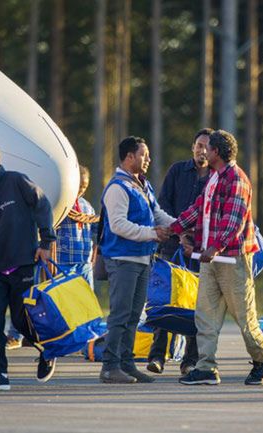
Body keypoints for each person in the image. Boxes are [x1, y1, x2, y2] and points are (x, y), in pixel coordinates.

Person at [171, 130, 263, 386]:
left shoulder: (236, 179)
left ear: (216, 152)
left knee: (244, 316)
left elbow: (235, 220)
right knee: (205, 315)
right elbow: (198, 209)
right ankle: (206, 367)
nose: (203, 151)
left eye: (207, 147)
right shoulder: (214, 178)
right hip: (211, 260)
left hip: (233, 260)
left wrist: (215, 247)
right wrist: (173, 229)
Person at [0, 142, 56, 391]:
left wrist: (46, 241)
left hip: (22, 264)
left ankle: (47, 349)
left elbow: (43, 205)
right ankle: (1, 375)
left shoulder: (17, 181)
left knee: (20, 321)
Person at [99, 136, 175, 384]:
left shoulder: (142, 185)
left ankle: (126, 364)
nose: (148, 159)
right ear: (129, 157)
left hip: (142, 259)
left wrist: (181, 226)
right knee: (120, 315)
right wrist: (153, 234)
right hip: (122, 259)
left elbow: (157, 213)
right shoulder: (118, 188)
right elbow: (118, 225)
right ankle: (110, 367)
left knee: (134, 315)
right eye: (144, 154)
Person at [147, 128, 212, 376]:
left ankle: (190, 360)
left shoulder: (215, 177)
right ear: (192, 147)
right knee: (165, 300)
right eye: (198, 145)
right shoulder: (177, 171)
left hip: (199, 251)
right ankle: (157, 356)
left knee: (195, 305)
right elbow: (164, 204)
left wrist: (194, 239)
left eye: (206, 146)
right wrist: (180, 233)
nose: (201, 150)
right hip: (172, 248)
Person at [53, 165, 99, 287]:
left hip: (84, 263)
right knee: (65, 299)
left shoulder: (87, 207)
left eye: (85, 187)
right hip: (63, 262)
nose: (82, 190)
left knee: (85, 301)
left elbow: (96, 231)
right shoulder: (62, 203)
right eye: (80, 186)